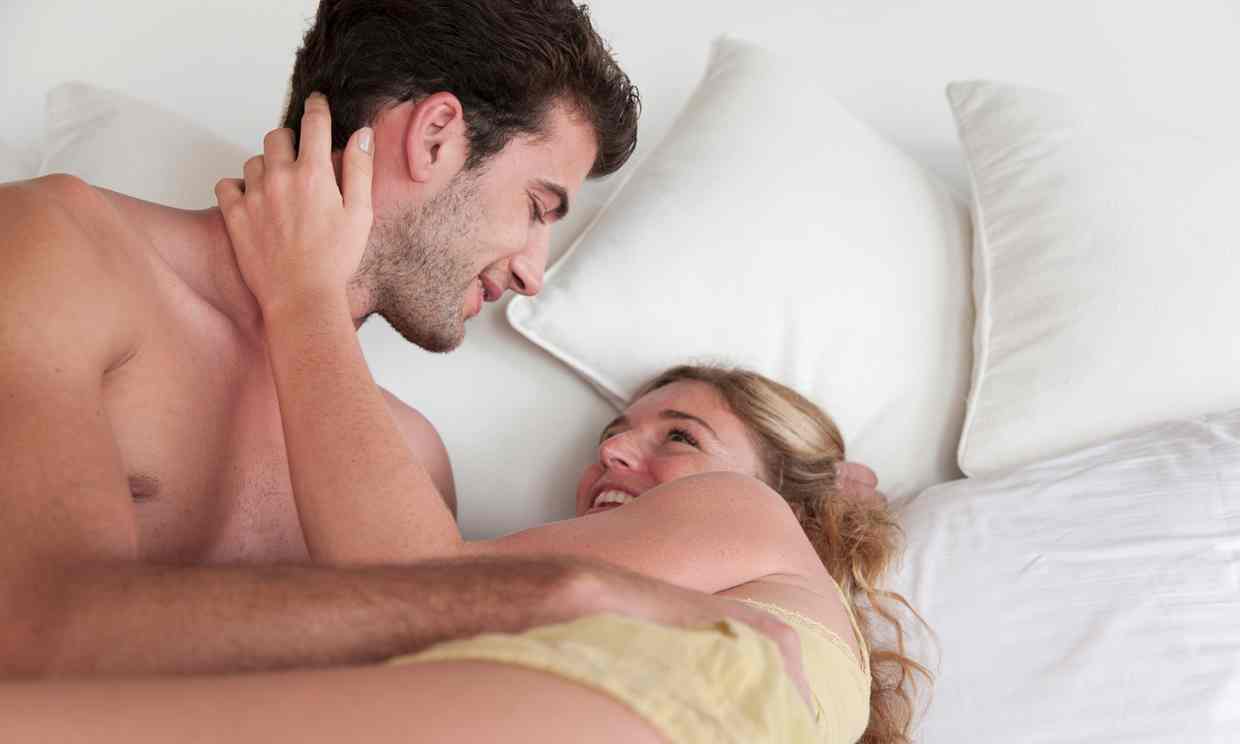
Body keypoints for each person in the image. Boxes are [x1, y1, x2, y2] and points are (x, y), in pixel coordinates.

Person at [0, 0, 784, 678]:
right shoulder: (59, 247)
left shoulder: (409, 463)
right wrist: (553, 595)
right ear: (436, 137)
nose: (531, 272)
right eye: (537, 207)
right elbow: (34, 630)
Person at [181, 102, 937, 742]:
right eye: (612, 436)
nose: (616, 453)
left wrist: (303, 294)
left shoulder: (751, 515)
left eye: (681, 436)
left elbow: (413, 588)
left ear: (796, 503)